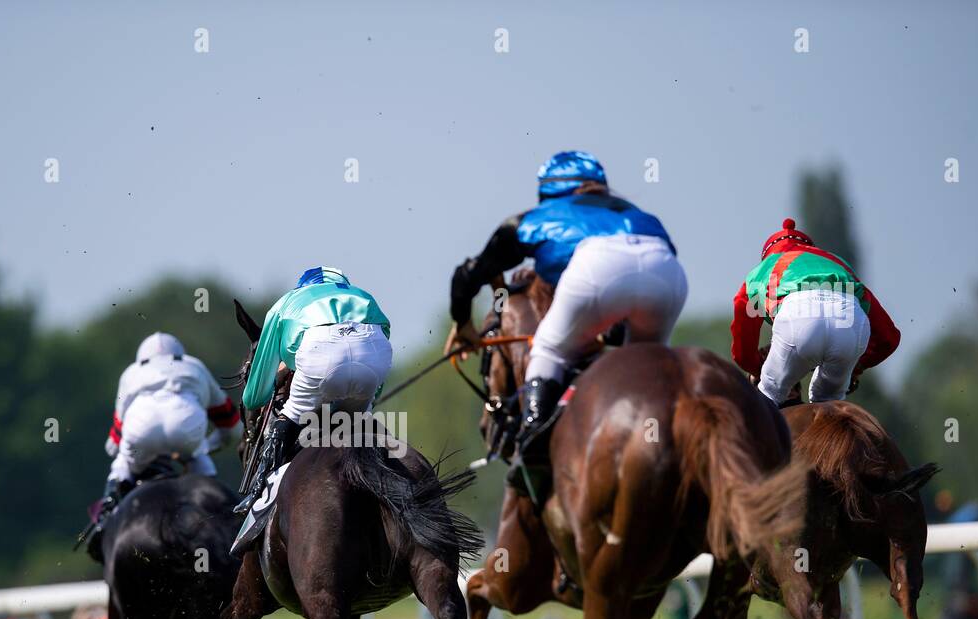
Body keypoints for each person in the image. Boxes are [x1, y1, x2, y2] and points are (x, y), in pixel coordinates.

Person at [447, 150, 686, 468]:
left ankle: (532, 452)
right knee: (644, 370)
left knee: (548, 350)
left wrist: (463, 323)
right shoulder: (636, 212)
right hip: (666, 270)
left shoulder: (533, 219)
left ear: (547, 192)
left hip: (598, 266)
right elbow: (635, 278)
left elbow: (467, 274)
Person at [236, 266, 392, 512]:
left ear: (304, 287)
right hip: (373, 357)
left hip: (319, 354)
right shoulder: (363, 296)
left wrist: (280, 374)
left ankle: (257, 494)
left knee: (291, 414)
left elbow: (255, 398)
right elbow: (382, 342)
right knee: (356, 425)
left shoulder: (287, 302)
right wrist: (368, 396)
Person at [89, 332, 241, 556]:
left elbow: (113, 443)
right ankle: (229, 516)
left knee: (121, 463)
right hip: (186, 430)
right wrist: (206, 447)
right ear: (180, 355)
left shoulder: (131, 373)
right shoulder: (194, 366)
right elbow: (233, 428)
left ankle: (103, 520)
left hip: (141, 430)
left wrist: (131, 454)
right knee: (201, 464)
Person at [731, 218, 900, 406]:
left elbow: (742, 347)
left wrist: (756, 367)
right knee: (828, 406)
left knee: (768, 396)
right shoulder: (839, 264)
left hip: (797, 320)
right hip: (850, 323)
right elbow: (888, 338)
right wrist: (856, 366)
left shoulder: (760, 271)